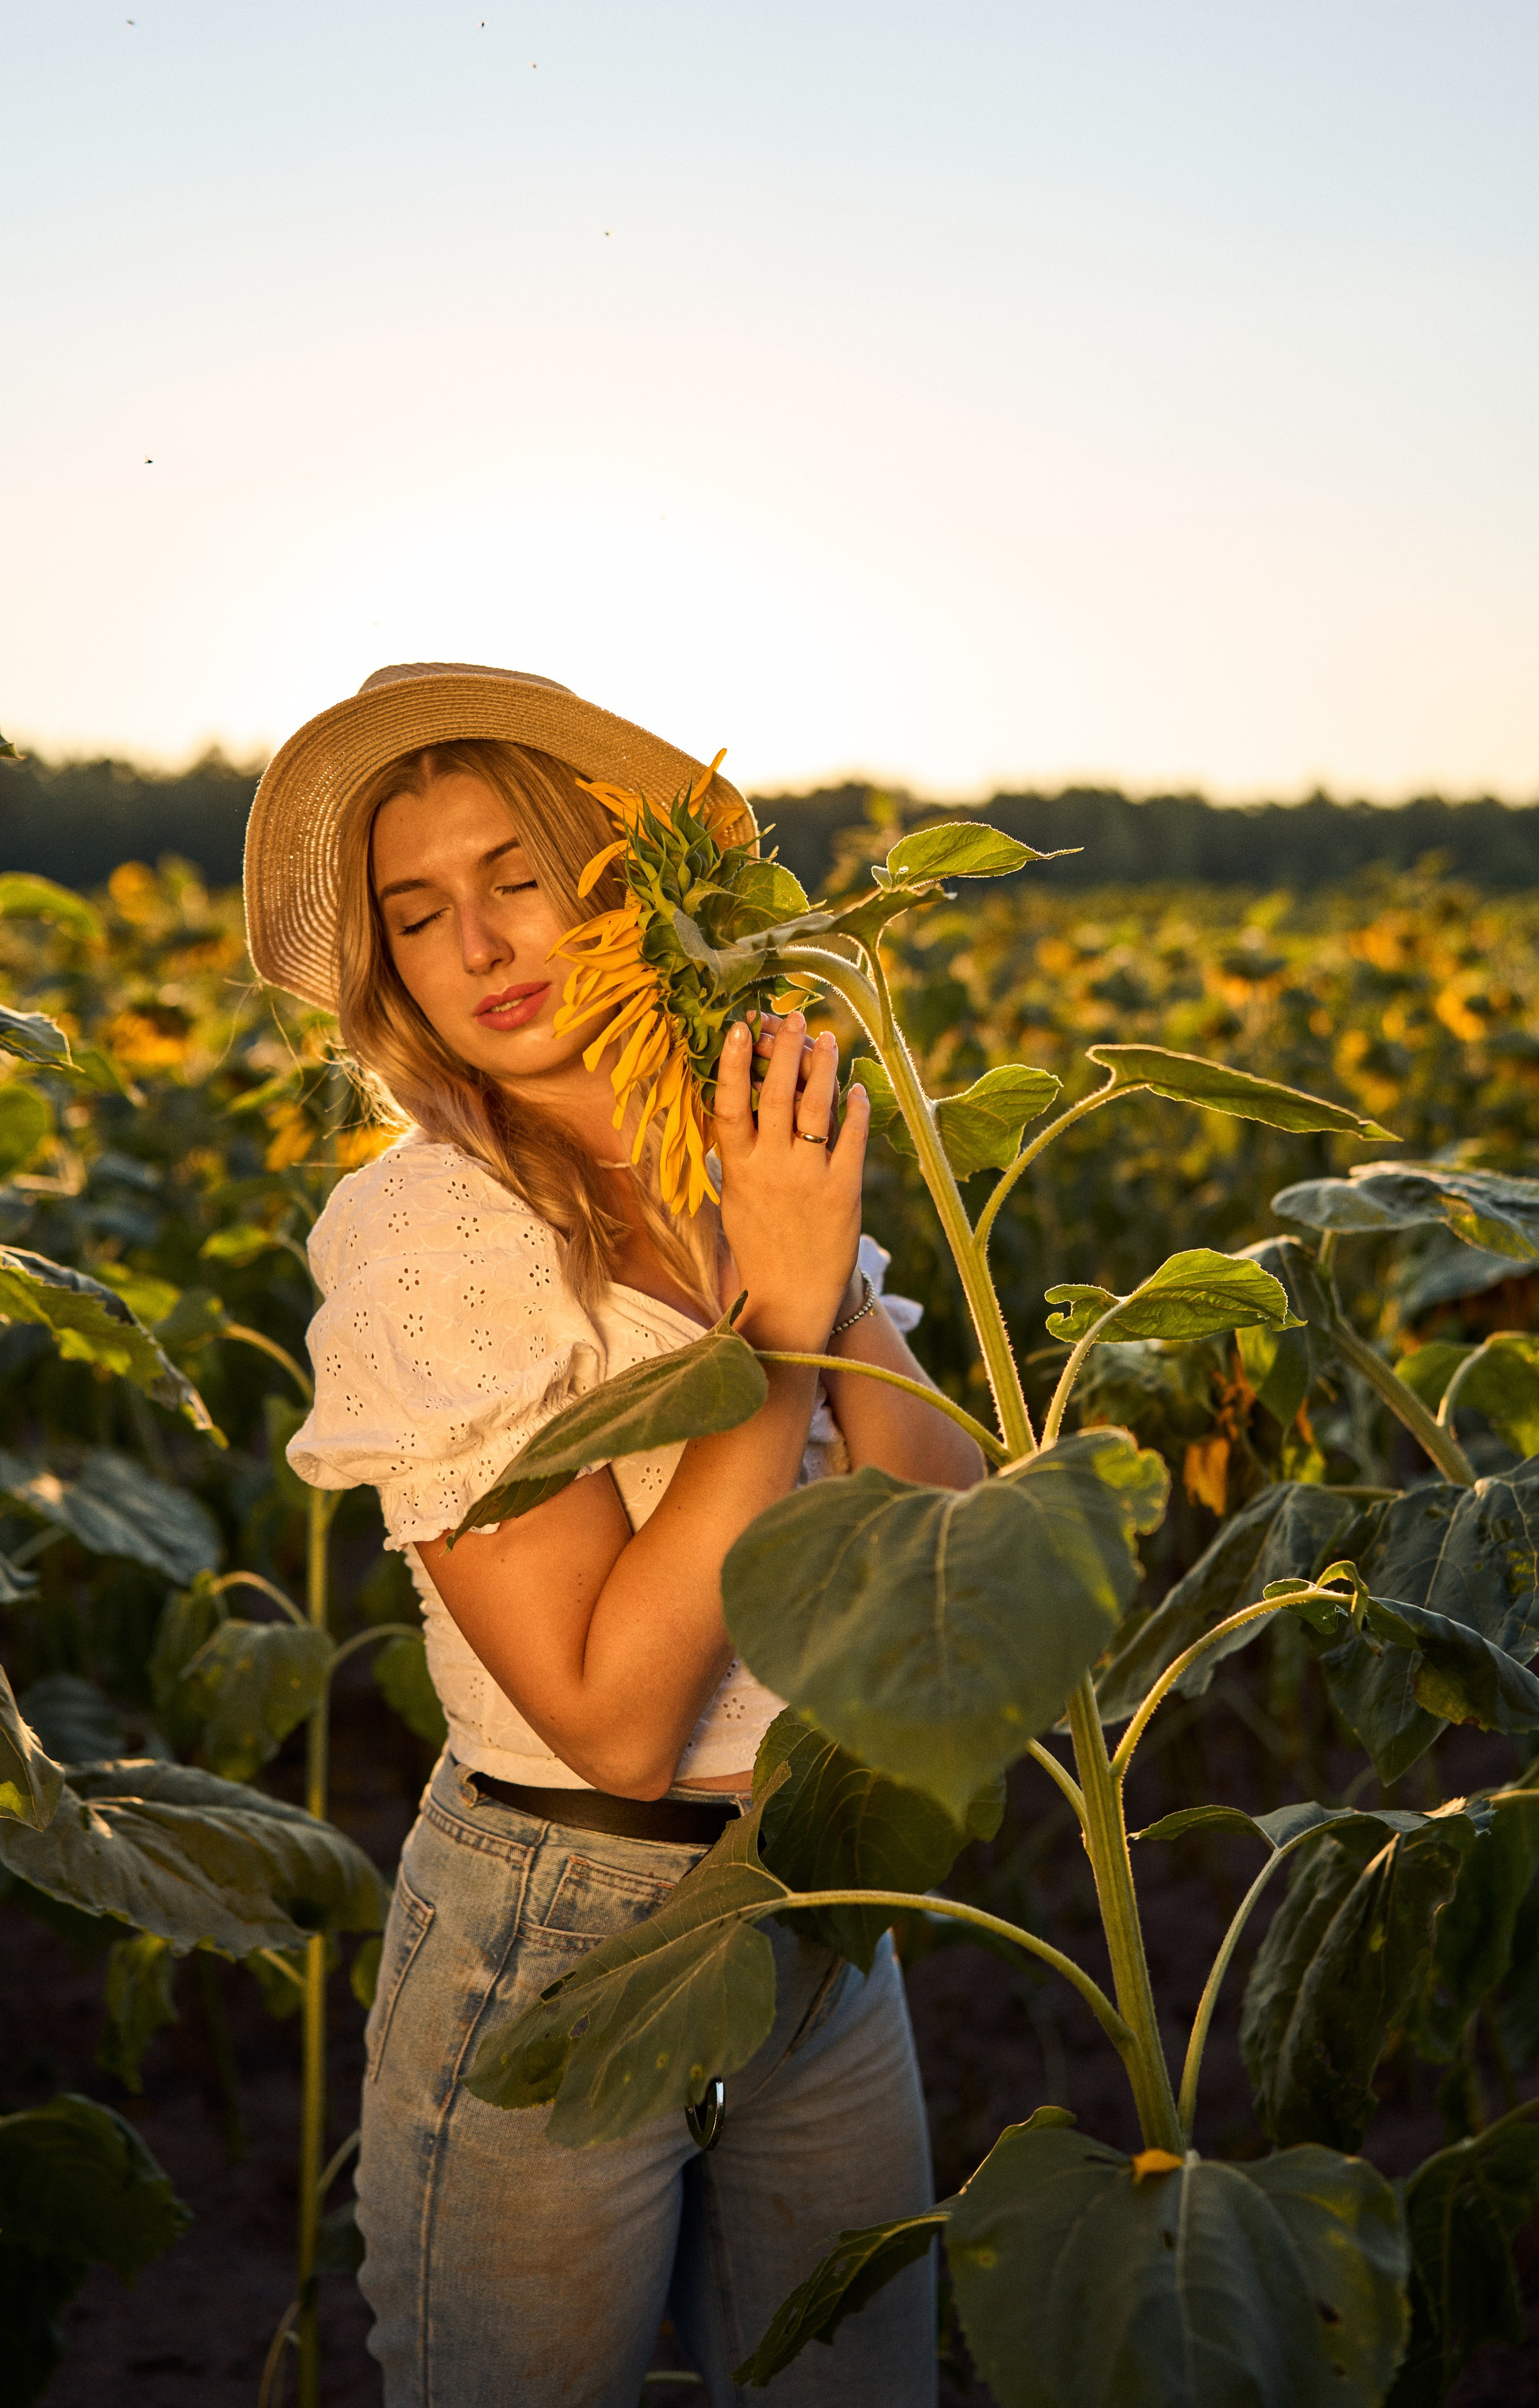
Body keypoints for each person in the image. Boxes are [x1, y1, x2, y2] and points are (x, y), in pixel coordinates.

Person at [243, 663, 984, 2408]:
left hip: (817, 1903)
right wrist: (774, 1323)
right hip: (559, 1925)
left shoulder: (737, 1149)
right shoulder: (432, 1234)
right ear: (395, 973)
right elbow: (608, 1711)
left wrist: (821, 1270)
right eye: (421, 916)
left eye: (523, 876)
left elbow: (945, 1556)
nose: (483, 942)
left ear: (624, 889)